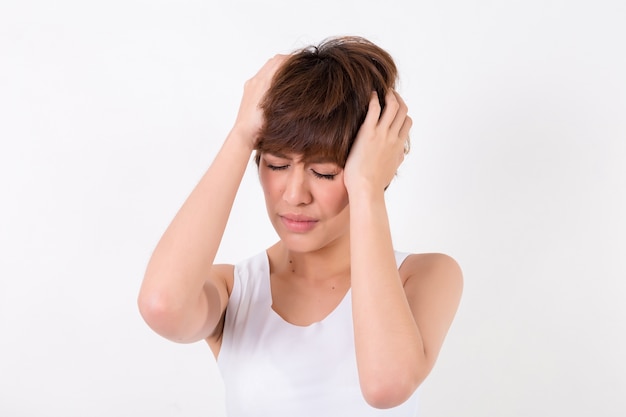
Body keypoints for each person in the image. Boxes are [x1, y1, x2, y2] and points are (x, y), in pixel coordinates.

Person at [138, 36, 463, 416]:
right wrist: (241, 135)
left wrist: (367, 189)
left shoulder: (425, 276)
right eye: (276, 165)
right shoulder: (234, 290)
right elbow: (162, 306)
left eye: (324, 172)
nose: (294, 195)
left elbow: (385, 386)